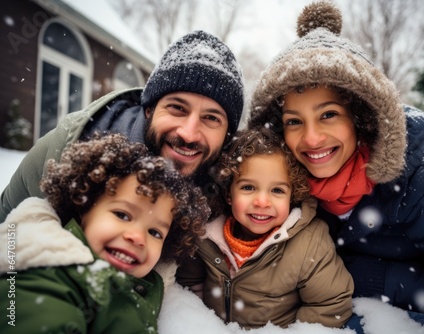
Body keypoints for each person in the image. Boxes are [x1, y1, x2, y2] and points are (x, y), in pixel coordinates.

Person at [247, 1, 424, 333]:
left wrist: (361, 276)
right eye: (294, 121)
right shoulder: (287, 188)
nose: (311, 138)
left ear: (361, 117)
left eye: (328, 114)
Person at [0, 29, 244, 223]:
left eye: (211, 118)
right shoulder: (69, 147)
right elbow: (7, 233)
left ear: (226, 135)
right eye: (177, 108)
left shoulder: (236, 193)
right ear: (149, 109)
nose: (189, 133)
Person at [0, 133, 210, 333]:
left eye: (155, 232)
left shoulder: (146, 287)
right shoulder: (51, 277)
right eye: (122, 215)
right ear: (83, 207)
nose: (137, 238)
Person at [175, 127, 354, 329]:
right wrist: (201, 325)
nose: (262, 202)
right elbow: (189, 284)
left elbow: (329, 303)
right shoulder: (205, 235)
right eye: (248, 187)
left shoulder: (309, 243)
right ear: (228, 194)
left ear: (292, 196)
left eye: (277, 190)